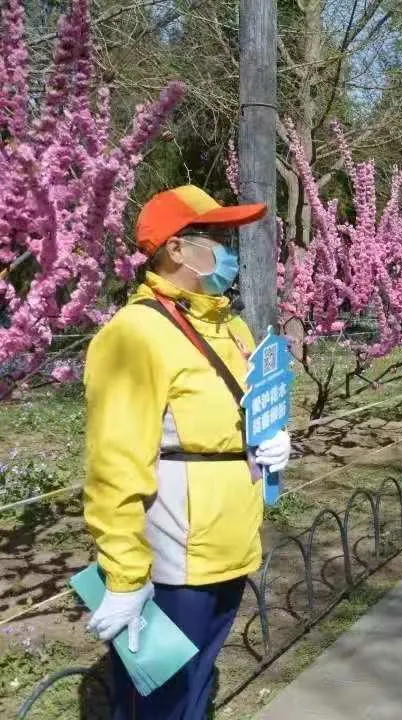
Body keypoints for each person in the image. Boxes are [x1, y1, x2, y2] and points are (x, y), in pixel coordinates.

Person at [82, 186, 292, 718]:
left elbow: (245, 405)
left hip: (231, 541)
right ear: (176, 249)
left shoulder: (231, 326)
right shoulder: (136, 333)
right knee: (161, 699)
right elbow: (115, 468)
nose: (228, 251)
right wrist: (127, 576)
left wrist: (269, 439)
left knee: (196, 687)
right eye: (217, 238)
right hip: (176, 556)